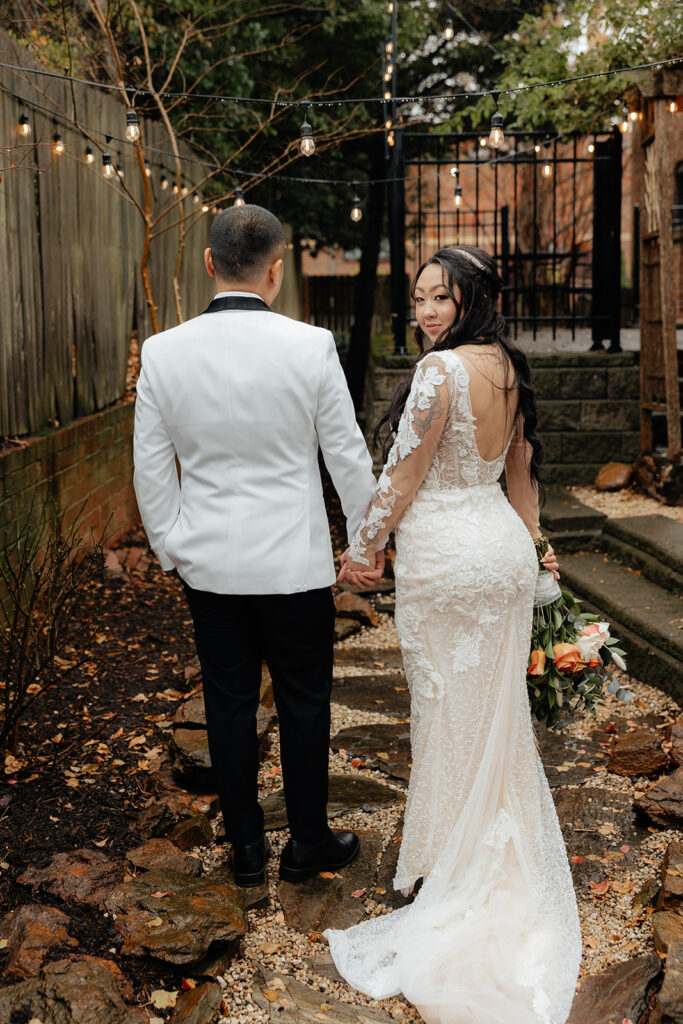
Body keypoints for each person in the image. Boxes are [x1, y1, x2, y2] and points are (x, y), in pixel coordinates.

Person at [325, 246, 581, 1024]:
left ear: (473, 297)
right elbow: (520, 471)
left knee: (444, 711)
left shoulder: (440, 373)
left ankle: (453, 864)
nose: (427, 310)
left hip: (446, 557)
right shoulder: (507, 364)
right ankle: (476, 848)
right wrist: (535, 552)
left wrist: (362, 549)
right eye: (420, 298)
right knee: (490, 712)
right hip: (498, 553)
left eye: (442, 296)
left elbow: (403, 473)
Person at [133, 204, 384, 888]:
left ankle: (245, 848)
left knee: (227, 702)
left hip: (208, 564)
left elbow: (150, 471)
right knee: (305, 701)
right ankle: (306, 842)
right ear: (276, 270)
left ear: (209, 264)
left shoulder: (163, 351)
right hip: (294, 563)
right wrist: (366, 544)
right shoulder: (310, 347)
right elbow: (347, 457)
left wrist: (171, 550)